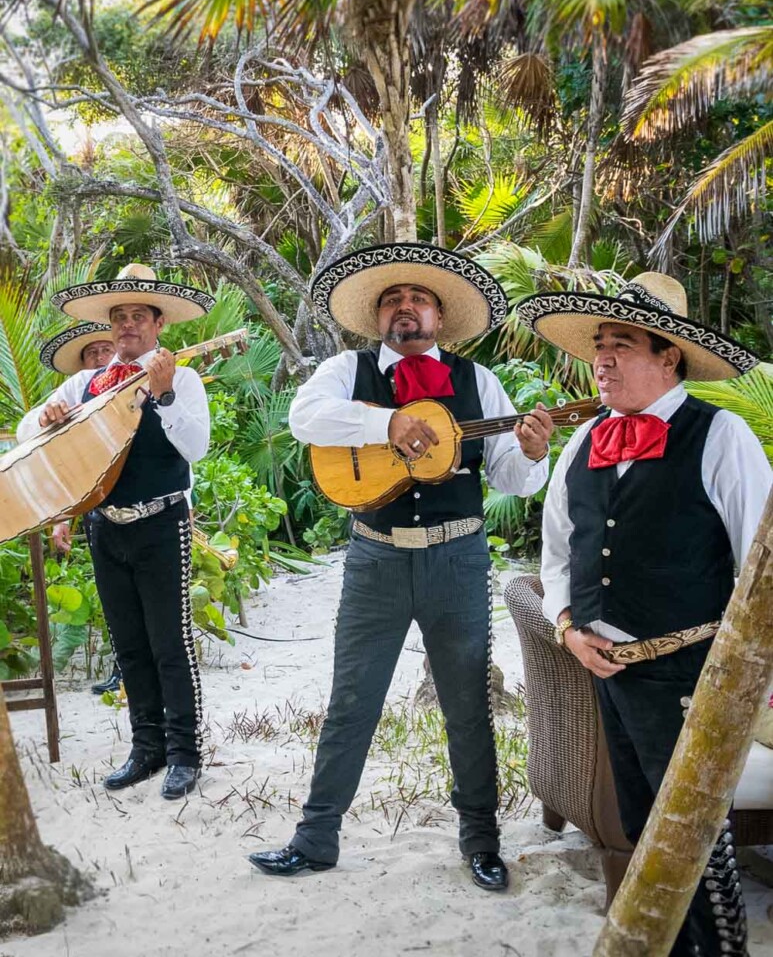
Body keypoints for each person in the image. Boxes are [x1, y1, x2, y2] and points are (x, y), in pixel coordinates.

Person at [249, 242, 554, 890]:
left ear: (439, 318)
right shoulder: (346, 369)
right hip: (375, 559)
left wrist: (532, 453)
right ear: (378, 317)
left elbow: (511, 477)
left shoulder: (478, 382)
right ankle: (315, 837)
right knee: (351, 699)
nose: (405, 307)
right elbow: (303, 417)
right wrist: (386, 424)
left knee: (467, 704)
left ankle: (481, 840)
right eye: (392, 299)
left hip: (458, 558)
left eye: (418, 299)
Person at [516, 272, 771, 955]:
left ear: (668, 357)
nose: (601, 360)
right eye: (598, 346)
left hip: (692, 675)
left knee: (695, 846)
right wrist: (567, 629)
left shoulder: (719, 436)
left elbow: (762, 566)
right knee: (640, 830)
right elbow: (556, 555)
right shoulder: (584, 441)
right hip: (607, 675)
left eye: (621, 345)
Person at [17, 263, 215, 800]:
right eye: (119, 316)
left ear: (158, 324)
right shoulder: (84, 383)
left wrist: (165, 396)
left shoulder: (182, 378)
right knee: (128, 645)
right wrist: (48, 415)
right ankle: (146, 748)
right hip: (106, 528)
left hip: (162, 522)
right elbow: (28, 428)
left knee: (170, 643)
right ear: (110, 325)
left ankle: (184, 753)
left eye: (138, 316)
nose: (128, 324)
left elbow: (195, 448)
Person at [37, 323, 125, 693]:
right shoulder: (76, 406)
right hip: (100, 516)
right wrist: (62, 519)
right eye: (92, 354)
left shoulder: (134, 390)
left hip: (153, 510)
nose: (101, 358)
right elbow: (69, 469)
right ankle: (123, 671)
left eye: (106, 350)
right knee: (115, 600)